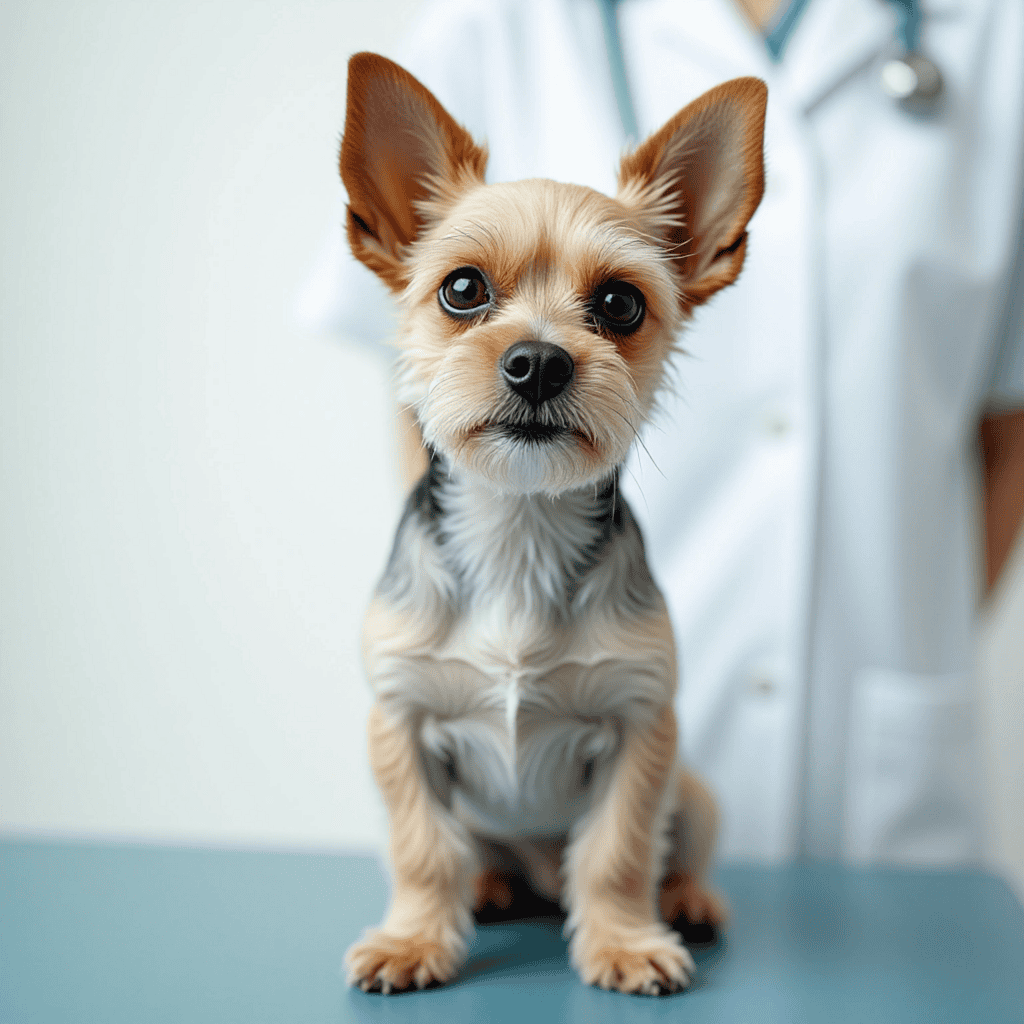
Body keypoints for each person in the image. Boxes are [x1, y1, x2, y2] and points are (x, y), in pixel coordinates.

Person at [298, 0, 1024, 866]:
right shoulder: (491, 26)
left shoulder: (998, 37)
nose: (537, 355)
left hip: (878, 771)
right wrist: (471, 633)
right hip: (521, 762)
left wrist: (912, 633)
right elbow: (421, 393)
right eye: (469, 292)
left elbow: (1009, 426)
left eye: (613, 306)